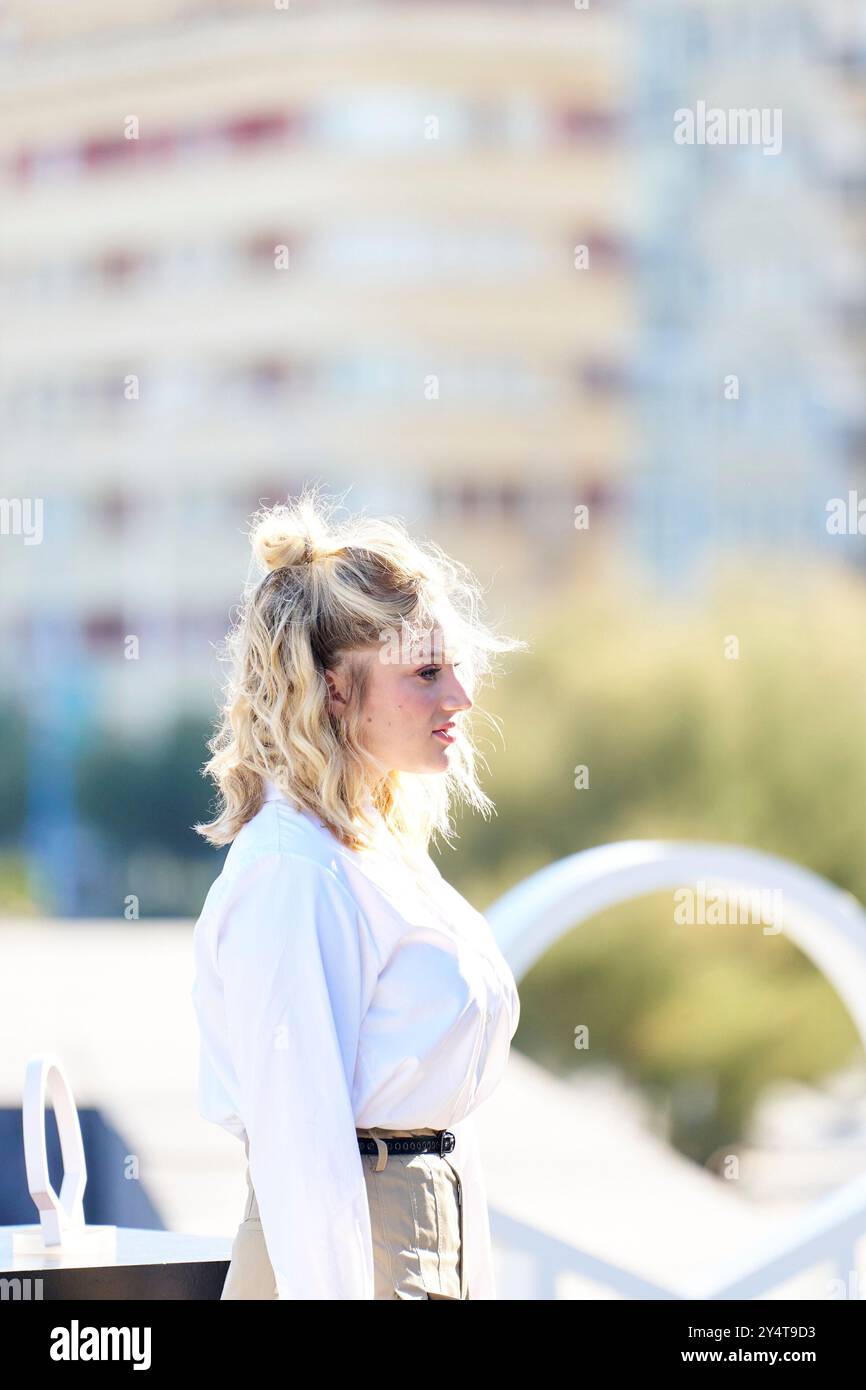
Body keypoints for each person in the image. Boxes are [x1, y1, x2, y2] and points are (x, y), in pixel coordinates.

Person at [190, 484, 525, 1299]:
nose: (462, 698)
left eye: (458, 667)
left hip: (419, 1248)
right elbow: (301, 1149)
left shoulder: (375, 852)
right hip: (346, 1267)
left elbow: (444, 1125)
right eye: (426, 673)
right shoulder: (294, 872)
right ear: (336, 689)